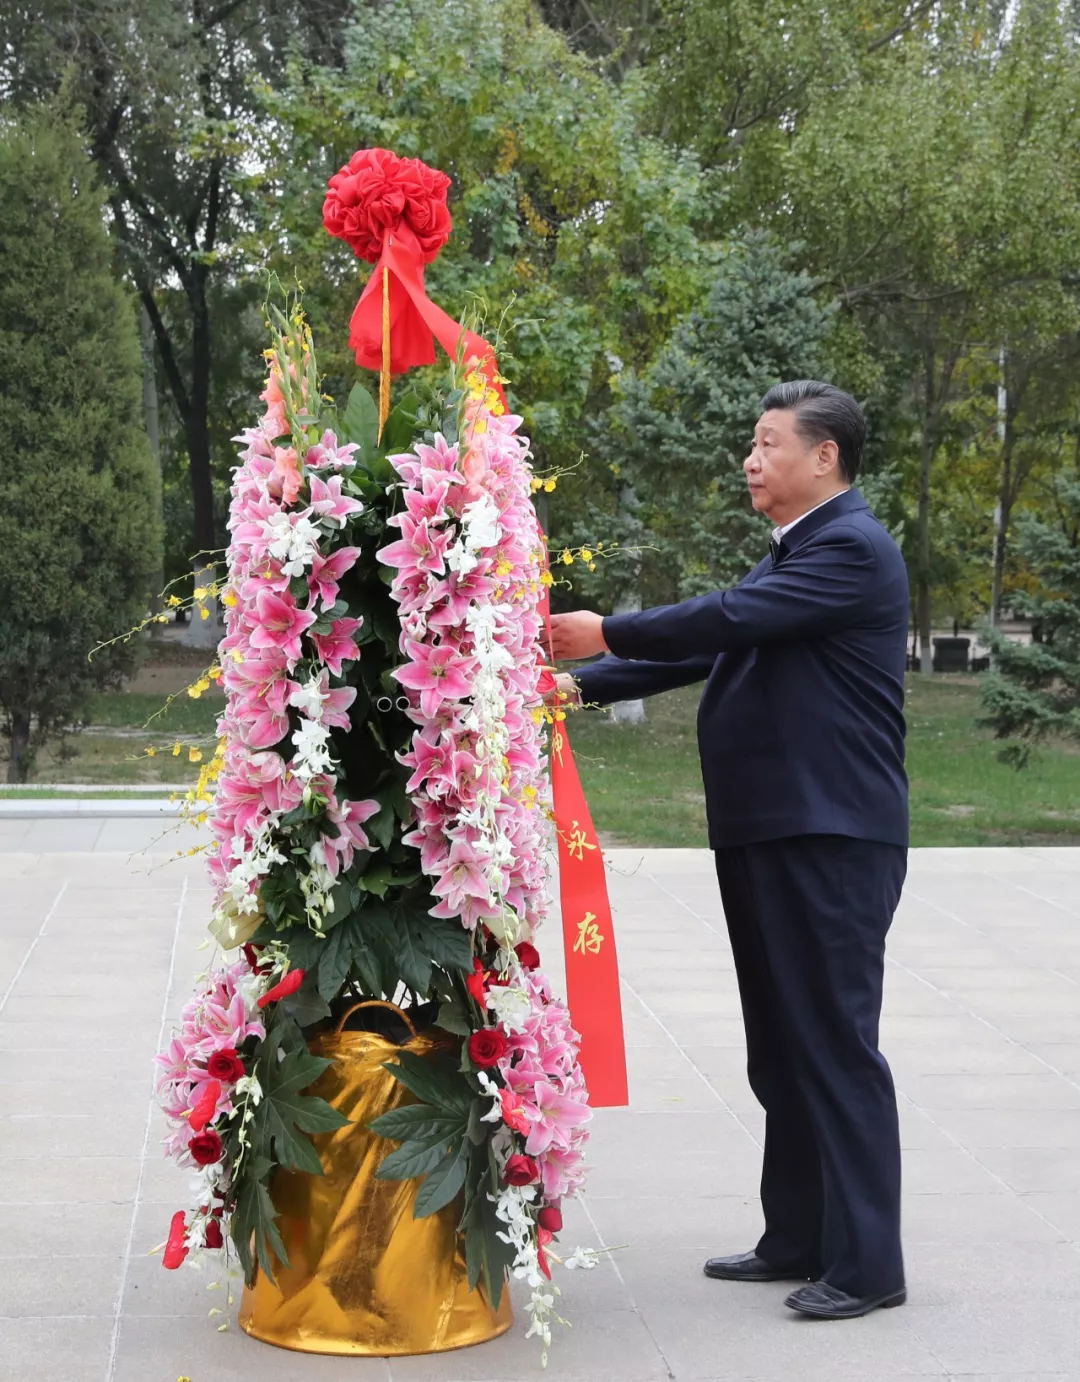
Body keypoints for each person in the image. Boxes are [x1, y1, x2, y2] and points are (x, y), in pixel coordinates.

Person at [548, 380, 909, 1321]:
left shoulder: (851, 550)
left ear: (823, 457)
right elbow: (706, 651)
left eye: (767, 443)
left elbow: (724, 622)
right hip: (770, 828)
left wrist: (606, 629)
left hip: (830, 833)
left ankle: (870, 1264)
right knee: (781, 1048)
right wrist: (578, 686)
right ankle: (797, 1236)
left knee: (833, 1044)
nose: (750, 460)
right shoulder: (794, 556)